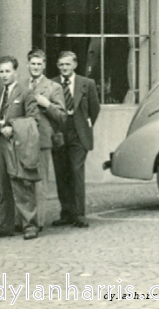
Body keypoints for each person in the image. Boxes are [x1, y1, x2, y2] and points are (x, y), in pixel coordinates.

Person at [0, 56, 41, 240]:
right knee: (2, 187)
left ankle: (30, 225)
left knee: (22, 183)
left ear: (16, 72)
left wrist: (13, 127)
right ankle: (3, 226)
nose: (4, 75)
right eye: (1, 71)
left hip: (16, 143)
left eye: (8, 71)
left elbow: (34, 119)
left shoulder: (25, 92)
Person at [51, 51, 100, 228]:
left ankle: (79, 214)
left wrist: (83, 126)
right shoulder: (52, 84)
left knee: (76, 170)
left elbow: (95, 109)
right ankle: (66, 213)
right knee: (61, 172)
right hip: (59, 131)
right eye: (61, 65)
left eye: (68, 64)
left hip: (78, 132)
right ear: (58, 66)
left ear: (75, 65)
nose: (64, 68)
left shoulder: (87, 84)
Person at [26, 49, 66, 230]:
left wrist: (47, 104)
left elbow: (62, 116)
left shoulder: (53, 87)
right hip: (23, 140)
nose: (35, 67)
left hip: (42, 140)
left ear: (44, 66)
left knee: (40, 182)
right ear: (28, 65)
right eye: (32, 64)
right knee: (24, 182)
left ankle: (38, 222)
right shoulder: (21, 85)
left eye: (39, 64)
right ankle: (25, 220)